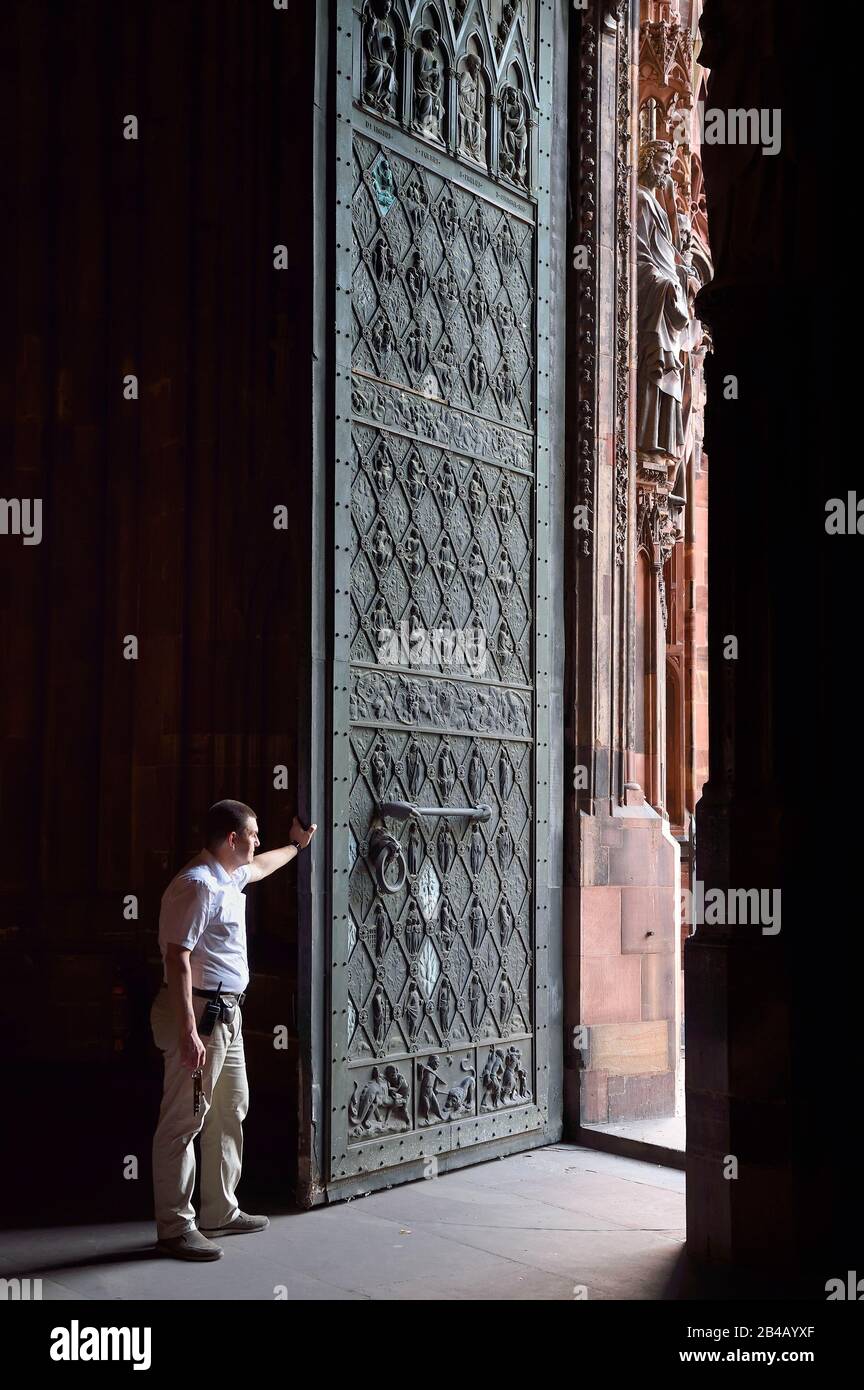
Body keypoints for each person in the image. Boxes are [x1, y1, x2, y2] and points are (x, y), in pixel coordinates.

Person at [150, 799, 316, 1261]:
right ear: (230, 839)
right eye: (253, 833)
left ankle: (219, 1211)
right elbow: (177, 958)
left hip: (227, 1014)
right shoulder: (197, 885)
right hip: (199, 1016)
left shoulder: (229, 875)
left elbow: (262, 865)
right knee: (184, 1119)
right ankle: (174, 1226)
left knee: (230, 1108)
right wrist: (188, 1030)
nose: (257, 841)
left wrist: (296, 846)